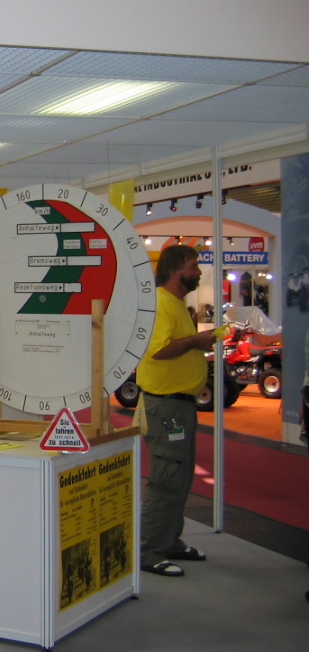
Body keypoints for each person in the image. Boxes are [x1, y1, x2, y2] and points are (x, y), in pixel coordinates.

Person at [136, 244, 218, 577]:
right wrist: (196, 342)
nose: (198, 272)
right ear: (175, 270)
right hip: (165, 405)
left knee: (179, 477)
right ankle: (148, 551)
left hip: (178, 405)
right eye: (193, 266)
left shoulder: (176, 304)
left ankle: (168, 541)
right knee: (166, 479)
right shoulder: (161, 303)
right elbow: (158, 350)